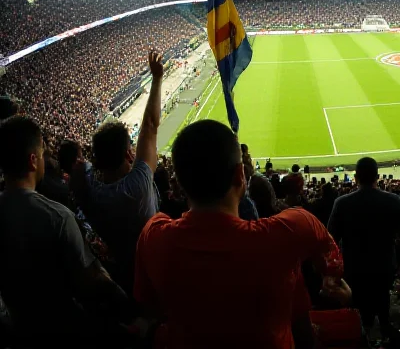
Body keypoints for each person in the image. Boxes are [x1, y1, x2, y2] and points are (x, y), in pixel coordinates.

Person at [135, 119, 342, 349]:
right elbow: (325, 246)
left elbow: (148, 307)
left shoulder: (153, 238)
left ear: (179, 183)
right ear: (240, 175)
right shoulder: (289, 232)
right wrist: (331, 274)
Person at [0, 117, 132, 347]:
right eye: (42, 154)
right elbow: (91, 281)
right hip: (66, 329)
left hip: (20, 330)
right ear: (33, 161)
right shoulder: (57, 217)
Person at [72, 50, 163, 293]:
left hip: (123, 270)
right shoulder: (137, 186)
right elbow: (150, 126)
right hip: (154, 265)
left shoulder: (89, 192)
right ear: (127, 154)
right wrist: (156, 79)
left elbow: (82, 170)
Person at [328, 156, 400, 339]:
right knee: (382, 303)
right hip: (384, 268)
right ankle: (385, 330)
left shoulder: (341, 203)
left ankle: (362, 335)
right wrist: (392, 255)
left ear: (355, 178)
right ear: (377, 177)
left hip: (354, 270)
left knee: (358, 313)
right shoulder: (394, 200)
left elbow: (330, 241)